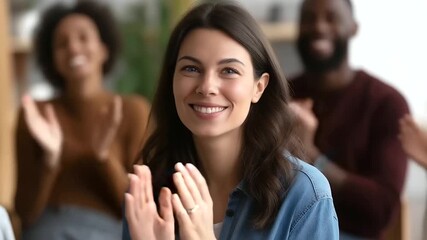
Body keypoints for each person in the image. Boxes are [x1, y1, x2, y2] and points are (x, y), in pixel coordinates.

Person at [122, 2, 339, 240]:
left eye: (228, 71)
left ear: (259, 87)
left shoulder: (305, 194)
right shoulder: (149, 191)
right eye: (191, 68)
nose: (206, 87)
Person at [14, 1, 150, 240]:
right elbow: (25, 214)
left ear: (104, 49)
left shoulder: (133, 111)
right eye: (62, 44)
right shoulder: (35, 115)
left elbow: (140, 210)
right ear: (52, 58)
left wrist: (104, 157)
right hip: (48, 228)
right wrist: (50, 161)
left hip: (109, 230)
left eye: (83, 38)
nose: (73, 48)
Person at [289, 0, 410, 239]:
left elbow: (383, 208)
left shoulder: (386, 103)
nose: (319, 27)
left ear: (353, 27)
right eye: (309, 18)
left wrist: (311, 156)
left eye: (331, 18)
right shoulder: (280, 94)